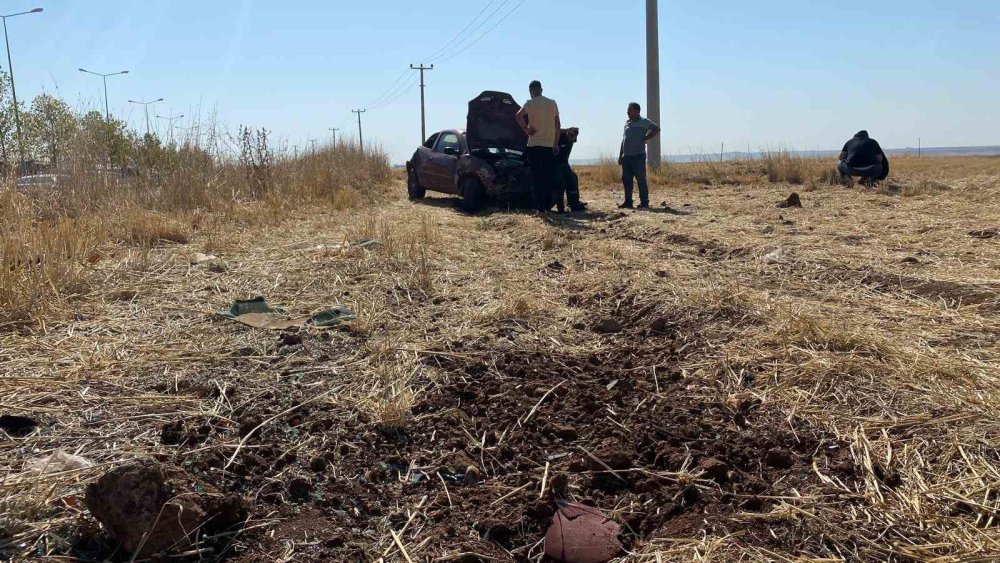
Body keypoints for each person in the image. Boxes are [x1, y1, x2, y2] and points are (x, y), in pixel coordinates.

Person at [516, 80, 561, 214]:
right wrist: (555, 143)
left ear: (531, 91)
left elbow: (518, 116)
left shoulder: (530, 103)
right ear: (541, 90)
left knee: (537, 178)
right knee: (548, 177)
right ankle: (547, 207)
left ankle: (539, 208)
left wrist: (526, 129)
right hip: (548, 146)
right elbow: (557, 124)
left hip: (534, 145)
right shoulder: (552, 103)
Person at [618, 102, 660, 209]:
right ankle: (628, 202)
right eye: (627, 110)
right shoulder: (627, 123)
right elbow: (624, 140)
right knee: (626, 180)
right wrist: (620, 155)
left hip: (638, 157)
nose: (627, 112)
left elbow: (656, 129)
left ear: (637, 111)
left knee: (641, 180)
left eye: (630, 110)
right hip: (626, 157)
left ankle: (644, 202)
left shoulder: (644, 122)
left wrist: (646, 138)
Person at [554, 127, 587, 213]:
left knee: (572, 179)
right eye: (571, 134)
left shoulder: (572, 140)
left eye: (574, 135)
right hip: (555, 163)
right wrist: (567, 130)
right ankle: (560, 207)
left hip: (564, 162)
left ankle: (574, 203)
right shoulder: (560, 138)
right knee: (560, 183)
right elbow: (555, 130)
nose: (572, 137)